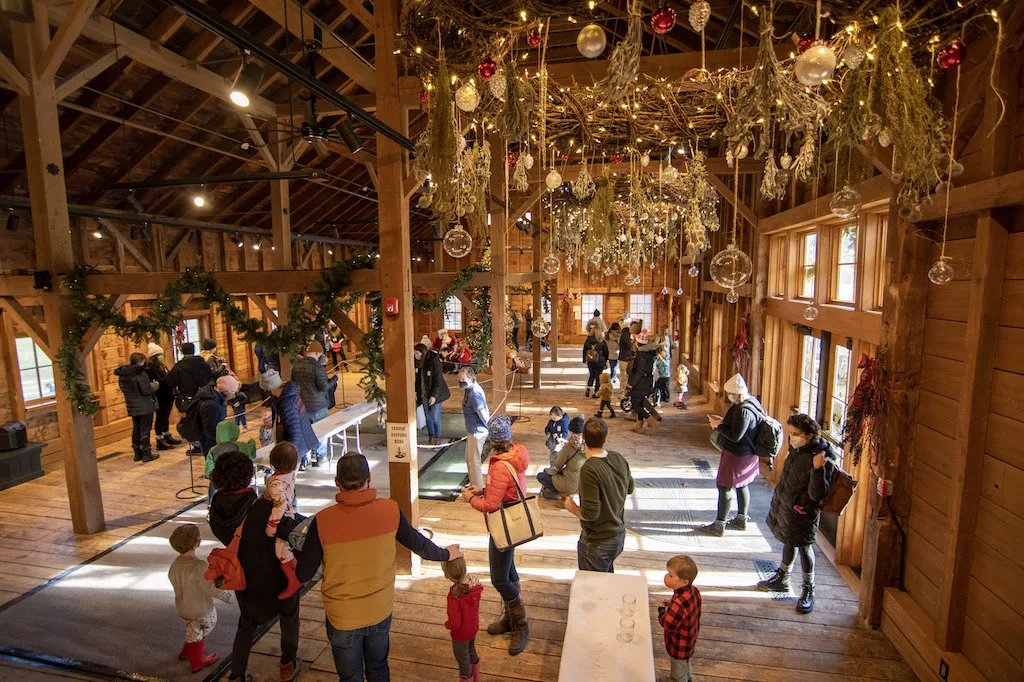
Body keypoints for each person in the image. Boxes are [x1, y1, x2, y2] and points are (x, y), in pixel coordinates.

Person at [293, 453, 460, 682]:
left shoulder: (322, 521)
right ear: (369, 478)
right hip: (379, 611)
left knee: (350, 677)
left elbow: (303, 574)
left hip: (342, 617)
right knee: (378, 670)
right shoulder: (390, 510)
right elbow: (419, 545)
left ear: (337, 483)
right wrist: (447, 553)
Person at [208, 451, 303, 682]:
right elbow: (288, 529)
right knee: (289, 615)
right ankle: (287, 664)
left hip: (243, 577)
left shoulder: (215, 510)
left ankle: (236, 674)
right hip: (274, 575)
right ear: (248, 476)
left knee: (247, 623)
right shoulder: (260, 508)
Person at [460, 415, 531, 656]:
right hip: (513, 521)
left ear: (493, 441)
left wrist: (471, 498)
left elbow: (490, 505)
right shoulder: (517, 453)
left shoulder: (500, 465)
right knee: (509, 572)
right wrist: (484, 489)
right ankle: (511, 619)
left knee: (500, 579)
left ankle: (521, 625)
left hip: (503, 524)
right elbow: (506, 488)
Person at [758, 414, 838, 614]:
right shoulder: (798, 448)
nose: (792, 437)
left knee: (805, 547)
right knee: (788, 539)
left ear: (810, 435)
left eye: (796, 434)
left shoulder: (821, 455)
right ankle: (783, 577)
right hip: (788, 502)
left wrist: (818, 469)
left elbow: (818, 493)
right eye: (791, 433)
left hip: (804, 509)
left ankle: (808, 589)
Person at [564, 418, 635, 573]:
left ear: (583, 438)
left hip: (598, 541)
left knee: (593, 587)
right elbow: (629, 488)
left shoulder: (589, 469)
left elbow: (590, 514)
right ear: (605, 439)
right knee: (606, 578)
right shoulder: (618, 458)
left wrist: (572, 507)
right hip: (618, 535)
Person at [700, 373, 763, 537]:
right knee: (742, 484)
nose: (729, 397)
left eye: (730, 394)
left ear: (736, 394)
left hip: (737, 454)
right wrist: (723, 421)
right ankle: (741, 519)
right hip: (748, 453)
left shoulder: (743, 411)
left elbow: (735, 435)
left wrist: (718, 426)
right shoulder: (752, 403)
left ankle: (719, 525)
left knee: (725, 486)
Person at [167, 523, 233, 673]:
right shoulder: (199, 566)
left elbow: (172, 579)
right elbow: (210, 588)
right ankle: (197, 660)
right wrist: (228, 596)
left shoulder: (175, 565)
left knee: (192, 627)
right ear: (198, 543)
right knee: (206, 626)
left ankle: (188, 650)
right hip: (201, 609)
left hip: (182, 608)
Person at [264, 442, 304, 600]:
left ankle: (294, 579)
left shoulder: (276, 484)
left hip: (282, 518)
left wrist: (272, 525)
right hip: (289, 512)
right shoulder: (289, 475)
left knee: (281, 549)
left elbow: (279, 506)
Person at [260, 369, 321, 471]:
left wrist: (289, 457)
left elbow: (295, 431)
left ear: (270, 388)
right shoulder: (286, 397)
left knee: (288, 480)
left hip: (293, 449)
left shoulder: (288, 403)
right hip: (294, 447)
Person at [658, 555, 702, 682]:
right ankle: (688, 677)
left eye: (671, 575)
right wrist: (672, 605)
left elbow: (668, 624)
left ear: (683, 582)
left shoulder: (679, 602)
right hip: (689, 640)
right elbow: (689, 611)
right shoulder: (694, 591)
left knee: (678, 673)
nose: (667, 577)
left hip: (679, 644)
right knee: (685, 663)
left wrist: (661, 611)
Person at [443, 556, 483, 682]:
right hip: (472, 628)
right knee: (471, 651)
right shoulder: (474, 587)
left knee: (463, 660)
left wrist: (447, 624)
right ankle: (476, 678)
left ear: (446, 575)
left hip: (460, 634)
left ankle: (468, 678)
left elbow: (455, 622)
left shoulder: (454, 595)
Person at [115, 352, 160, 463]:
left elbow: (123, 389)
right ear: (140, 361)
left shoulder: (123, 375)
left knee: (136, 428)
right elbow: (147, 390)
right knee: (145, 429)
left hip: (132, 405)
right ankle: (146, 454)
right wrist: (155, 385)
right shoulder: (140, 374)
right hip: (144, 405)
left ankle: (137, 453)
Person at [537, 415, 586, 501]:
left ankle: (562, 495)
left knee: (541, 476)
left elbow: (557, 464)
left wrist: (556, 451)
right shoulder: (587, 445)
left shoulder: (570, 446)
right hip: (582, 483)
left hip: (570, 484)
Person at [191, 375, 240, 456]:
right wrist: (223, 441)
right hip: (212, 445)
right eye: (233, 392)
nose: (234, 396)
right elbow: (209, 430)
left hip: (216, 440)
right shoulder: (211, 404)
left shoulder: (217, 398)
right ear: (227, 391)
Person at [459, 367, 490, 489]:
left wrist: (489, 427)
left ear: (471, 379)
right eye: (460, 379)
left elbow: (483, 413)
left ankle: (478, 488)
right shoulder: (469, 389)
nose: (461, 381)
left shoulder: (475, 393)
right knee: (469, 459)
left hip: (477, 431)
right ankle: (473, 484)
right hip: (472, 429)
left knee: (474, 462)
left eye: (463, 379)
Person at [145, 343, 180, 451]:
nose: (161, 356)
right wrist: (168, 378)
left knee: (166, 416)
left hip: (168, 394)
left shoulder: (162, 366)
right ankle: (159, 439)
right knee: (160, 417)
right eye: (159, 354)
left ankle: (167, 434)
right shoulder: (150, 368)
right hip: (160, 396)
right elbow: (156, 383)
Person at [415, 342, 451, 446]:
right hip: (423, 393)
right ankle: (431, 435)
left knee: (435, 417)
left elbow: (438, 380)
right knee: (428, 417)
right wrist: (417, 393)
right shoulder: (417, 362)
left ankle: (437, 437)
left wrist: (434, 395)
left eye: (417, 353)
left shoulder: (434, 361)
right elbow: (418, 380)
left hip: (436, 394)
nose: (416, 355)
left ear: (423, 352)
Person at [626, 334, 661, 434]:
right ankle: (639, 426)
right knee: (641, 403)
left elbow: (640, 371)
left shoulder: (641, 355)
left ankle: (653, 422)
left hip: (640, 383)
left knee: (636, 405)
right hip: (647, 382)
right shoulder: (649, 353)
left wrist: (631, 383)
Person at [167, 342, 213, 414]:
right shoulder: (203, 364)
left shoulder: (178, 367)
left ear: (182, 352)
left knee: (187, 420)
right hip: (203, 396)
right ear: (194, 351)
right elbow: (209, 377)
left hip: (186, 398)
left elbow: (170, 382)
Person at [292, 341, 331, 424]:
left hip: (303, 405)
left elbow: (294, 385)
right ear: (317, 353)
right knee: (322, 432)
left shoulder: (295, 367)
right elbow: (324, 387)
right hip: (318, 406)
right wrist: (335, 378)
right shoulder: (317, 367)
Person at [582, 326, 608, 398]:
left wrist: (584, 359)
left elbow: (584, 350)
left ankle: (588, 388)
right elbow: (606, 352)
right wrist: (605, 360)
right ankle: (596, 393)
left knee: (591, 375)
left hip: (590, 360)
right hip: (600, 361)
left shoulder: (588, 340)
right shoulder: (602, 341)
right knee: (598, 377)